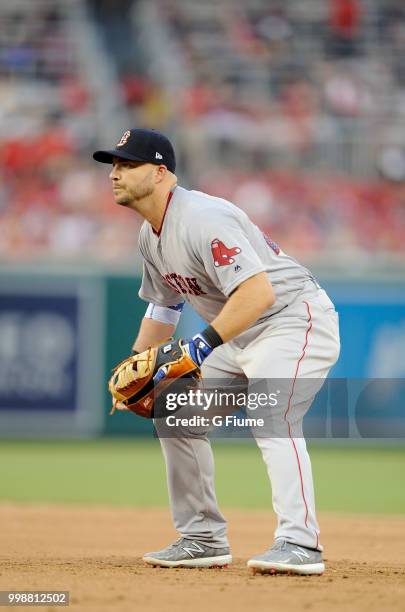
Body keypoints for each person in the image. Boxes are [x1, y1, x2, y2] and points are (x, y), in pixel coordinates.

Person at [93, 128, 340, 575]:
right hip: (238, 333)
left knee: (271, 414)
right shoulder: (150, 236)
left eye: (128, 165)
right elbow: (163, 307)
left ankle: (300, 542)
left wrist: (199, 347)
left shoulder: (204, 218)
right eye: (113, 165)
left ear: (161, 173)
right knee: (177, 416)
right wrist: (133, 365)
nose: (115, 174)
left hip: (291, 319)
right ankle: (202, 537)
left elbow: (258, 292)